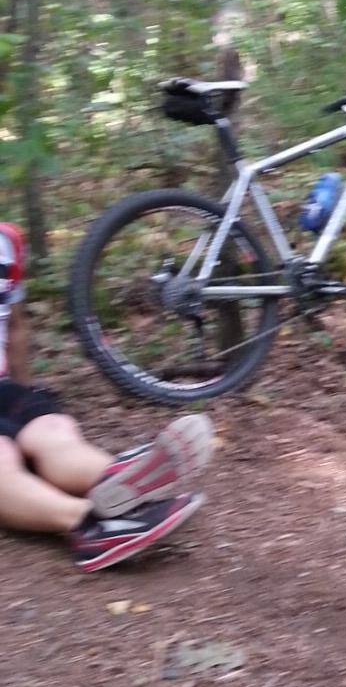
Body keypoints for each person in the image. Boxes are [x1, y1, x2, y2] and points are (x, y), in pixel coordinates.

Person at [0, 223, 211, 572]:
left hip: (4, 386)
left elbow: (15, 326)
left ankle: (118, 480)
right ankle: (90, 525)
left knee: (51, 431)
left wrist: (27, 395)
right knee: (3, 456)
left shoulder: (7, 241)